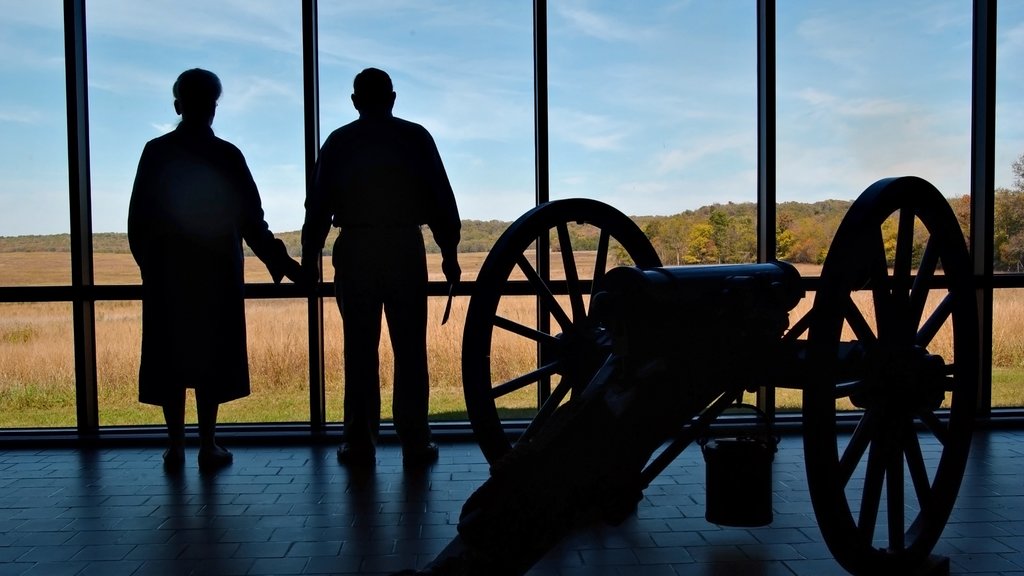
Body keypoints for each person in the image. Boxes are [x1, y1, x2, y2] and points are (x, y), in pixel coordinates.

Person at [129, 68, 303, 472]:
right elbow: (251, 222)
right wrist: (284, 264)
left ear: (178, 105)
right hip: (216, 274)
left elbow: (138, 221)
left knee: (169, 357)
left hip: (167, 276)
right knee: (211, 356)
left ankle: (175, 446)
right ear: (213, 108)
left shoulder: (156, 153)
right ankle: (208, 444)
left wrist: (152, 267)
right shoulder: (227, 155)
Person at [302, 67, 461, 467]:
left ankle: (359, 442)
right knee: (410, 351)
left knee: (360, 351)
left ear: (355, 102)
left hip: (355, 251)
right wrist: (449, 252)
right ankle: (416, 440)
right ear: (392, 99)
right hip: (406, 249)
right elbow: (442, 200)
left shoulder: (339, 142)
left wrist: (309, 255)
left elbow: (318, 207)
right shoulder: (415, 138)